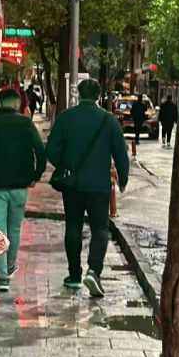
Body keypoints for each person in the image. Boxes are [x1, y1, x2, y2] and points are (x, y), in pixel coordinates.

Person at [46, 80, 130, 297]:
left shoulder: (66, 118)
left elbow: (51, 149)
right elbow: (121, 154)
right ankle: (94, 271)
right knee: (100, 229)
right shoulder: (108, 121)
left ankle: (74, 274)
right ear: (98, 95)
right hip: (99, 185)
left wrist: (64, 166)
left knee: (73, 226)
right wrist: (123, 179)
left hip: (73, 185)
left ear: (79, 94)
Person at [0, 89, 47, 292]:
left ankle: (2, 277)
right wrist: (35, 176)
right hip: (20, 186)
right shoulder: (26, 124)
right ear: (18, 104)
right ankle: (10, 267)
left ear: (0, 103)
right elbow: (41, 153)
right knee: (15, 229)